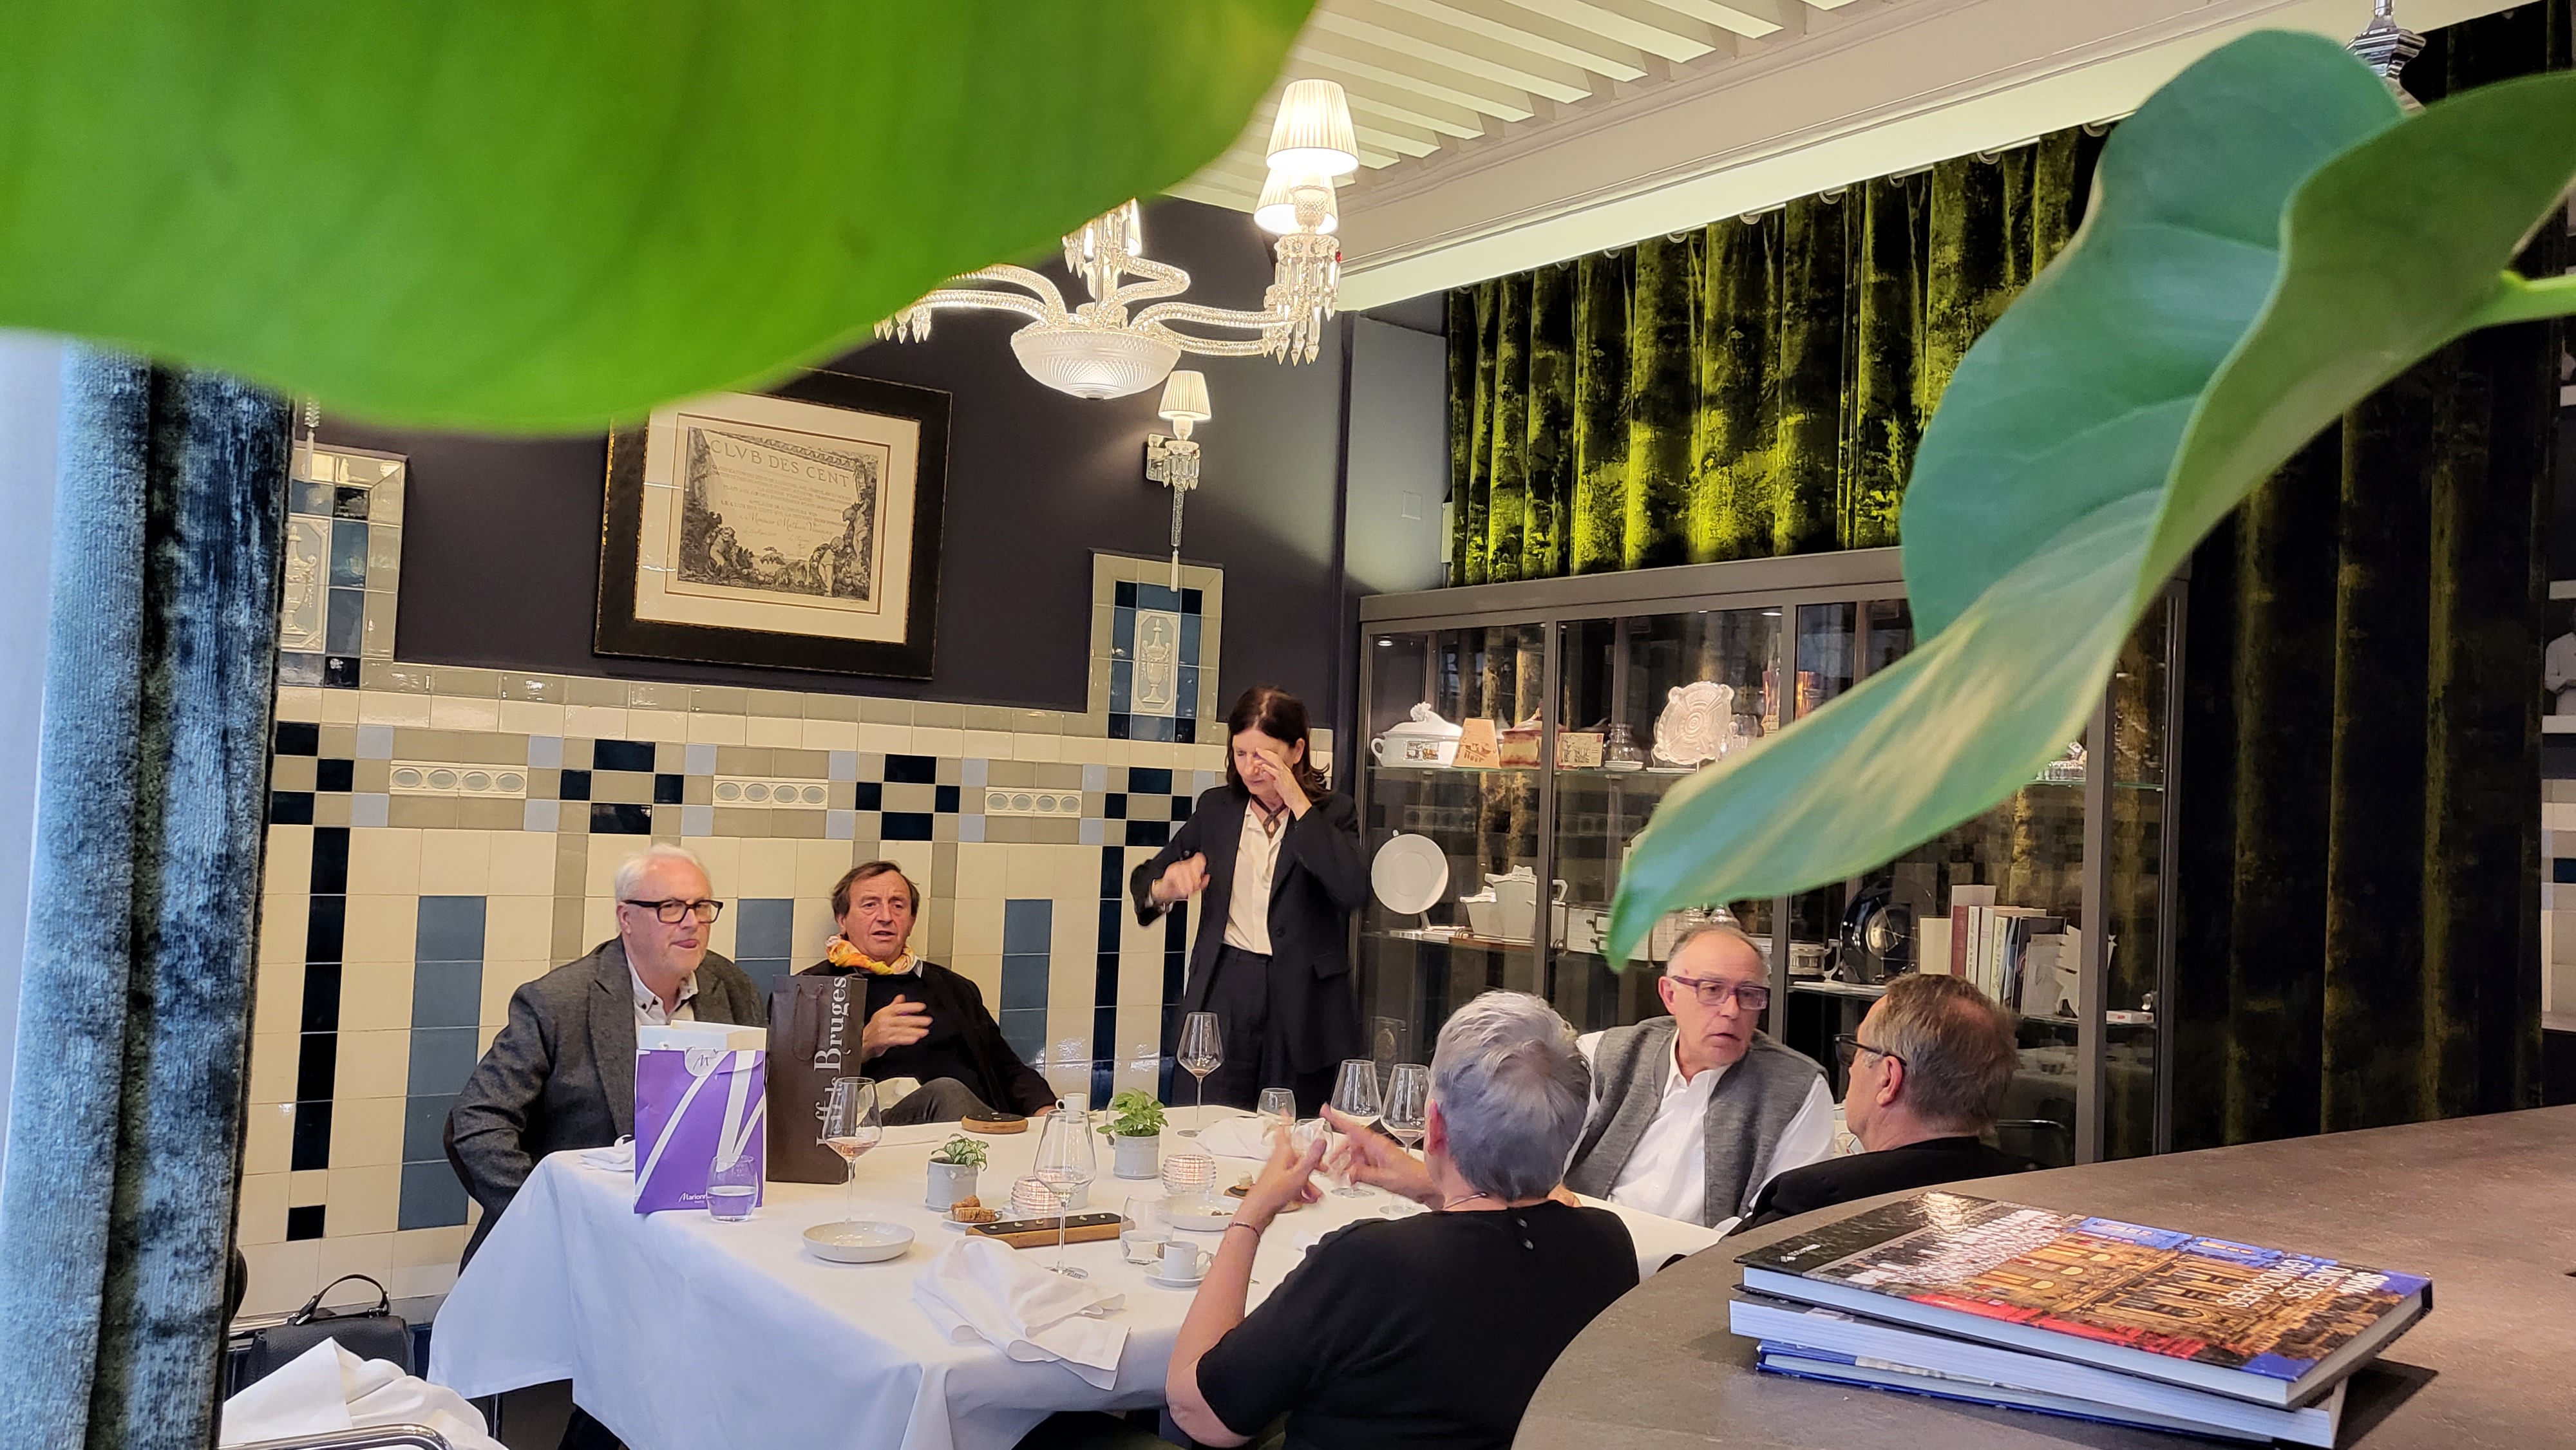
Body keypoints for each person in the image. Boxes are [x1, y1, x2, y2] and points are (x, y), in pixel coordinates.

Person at [1164, 991, 1638, 1450]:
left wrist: (1252, 1215)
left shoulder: (1372, 1262)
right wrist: (1434, 1184)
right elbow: (1502, 1242)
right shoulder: (1608, 1245)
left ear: (1435, 1126)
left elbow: (1200, 1413)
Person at [447, 843, 765, 1262]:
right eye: (671, 908)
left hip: (699, 1234)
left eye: (701, 906)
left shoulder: (733, 987)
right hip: (580, 1237)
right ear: (626, 918)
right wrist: (546, 1210)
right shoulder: (559, 1002)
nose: (692, 923)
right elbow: (477, 1122)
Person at [1132, 686, 1368, 1113]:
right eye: (1240, 753)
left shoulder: (1335, 813)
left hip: (1305, 999)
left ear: (1296, 750)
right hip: (1226, 984)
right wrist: (1166, 887)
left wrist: (1297, 802)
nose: (1250, 767)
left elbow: (1351, 889)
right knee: (1208, 1116)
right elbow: (1147, 879)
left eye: (1264, 755)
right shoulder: (1217, 809)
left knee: (1292, 1128)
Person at [1560, 923, 1834, 1229]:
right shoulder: (1606, 1055)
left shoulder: (1798, 1089)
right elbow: (1540, 1159)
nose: (1732, 1010)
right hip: (1585, 1238)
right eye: (1712, 990)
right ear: (1670, 995)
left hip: (1706, 1255)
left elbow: (1775, 1225)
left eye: (1748, 994)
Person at [1735, 972, 2028, 1232]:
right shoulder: (2030, 1185)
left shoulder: (1815, 1198)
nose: (1851, 1068)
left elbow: (1717, 1269)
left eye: (1857, 1050)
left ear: (1888, 1079)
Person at [799, 860, 1054, 1122]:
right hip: (879, 1130)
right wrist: (863, 1045)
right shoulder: (811, 991)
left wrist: (1050, 1114)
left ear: (911, 922)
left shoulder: (954, 988)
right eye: (870, 905)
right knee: (947, 1092)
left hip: (979, 1120)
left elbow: (1005, 1066)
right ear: (842, 920)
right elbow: (793, 1085)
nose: (885, 917)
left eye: (898, 906)